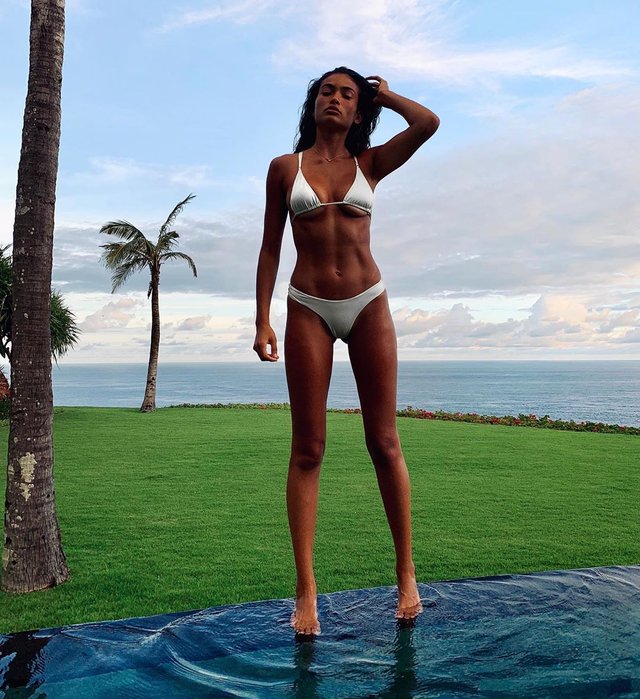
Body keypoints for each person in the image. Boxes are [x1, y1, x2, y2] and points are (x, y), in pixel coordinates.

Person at [253, 67, 439, 635]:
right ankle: (306, 588)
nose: (334, 99)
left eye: (347, 94)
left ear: (359, 110)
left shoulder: (370, 164)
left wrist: (385, 94)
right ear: (313, 104)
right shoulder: (285, 169)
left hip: (368, 304)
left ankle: (406, 574)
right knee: (308, 448)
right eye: (326, 91)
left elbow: (427, 123)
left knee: (384, 441)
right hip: (307, 307)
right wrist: (261, 319)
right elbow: (270, 247)